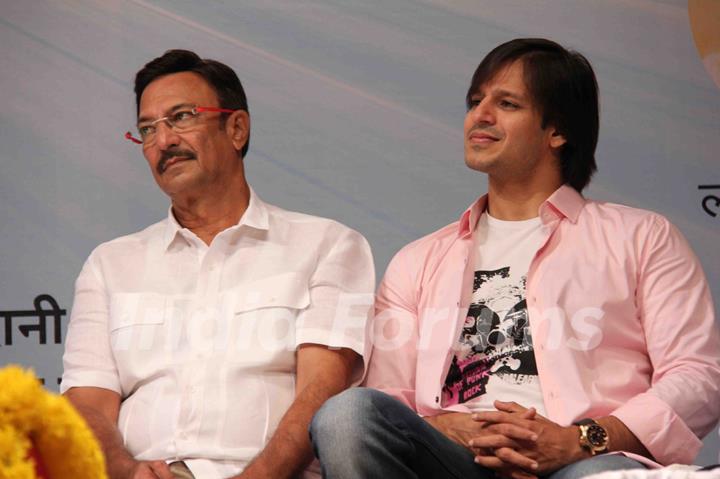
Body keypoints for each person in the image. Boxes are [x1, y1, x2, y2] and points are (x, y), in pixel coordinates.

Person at [310, 38, 720, 479]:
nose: (479, 116)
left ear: (557, 131)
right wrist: (451, 428)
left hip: (587, 460)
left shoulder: (641, 237)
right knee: (347, 416)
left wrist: (580, 439)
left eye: (506, 103)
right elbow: (393, 395)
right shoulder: (420, 260)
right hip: (456, 459)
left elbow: (699, 375)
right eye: (474, 101)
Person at [61, 49, 374, 479]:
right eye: (147, 130)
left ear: (237, 128)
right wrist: (127, 471)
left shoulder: (328, 245)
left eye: (182, 117)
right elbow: (86, 405)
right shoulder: (109, 264)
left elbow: (321, 394)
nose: (164, 141)